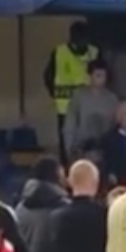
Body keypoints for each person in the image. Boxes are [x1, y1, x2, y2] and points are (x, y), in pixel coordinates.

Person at [44, 21, 99, 158]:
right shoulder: (59, 52)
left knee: (89, 141)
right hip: (65, 107)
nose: (81, 41)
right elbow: (48, 76)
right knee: (67, 141)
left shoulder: (94, 52)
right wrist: (55, 94)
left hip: (89, 106)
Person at [64, 60, 119, 162]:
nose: (101, 79)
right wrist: (69, 148)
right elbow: (70, 124)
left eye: (104, 76)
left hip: (104, 149)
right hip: (81, 148)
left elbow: (115, 126)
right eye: (98, 75)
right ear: (90, 76)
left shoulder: (112, 99)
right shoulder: (79, 96)